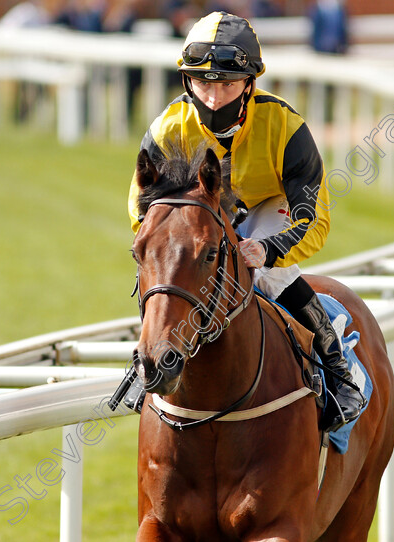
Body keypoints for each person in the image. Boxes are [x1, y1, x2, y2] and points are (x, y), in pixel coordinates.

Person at [120, 11, 364, 432]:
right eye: (204, 83)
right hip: (200, 215)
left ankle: (337, 363)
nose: (214, 98)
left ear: (249, 84)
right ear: (186, 81)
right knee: (170, 263)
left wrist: (267, 250)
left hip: (271, 207)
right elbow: (142, 213)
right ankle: (147, 354)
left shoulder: (286, 128)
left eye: (227, 85)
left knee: (261, 275)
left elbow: (314, 218)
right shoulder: (166, 130)